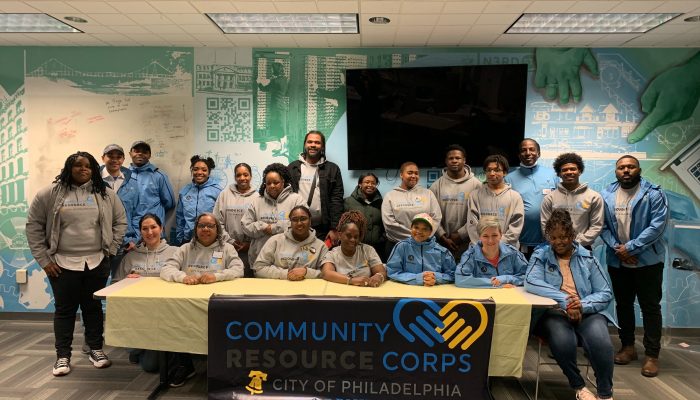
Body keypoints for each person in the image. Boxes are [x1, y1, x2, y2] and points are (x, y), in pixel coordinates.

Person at [26, 151, 126, 377]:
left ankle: (96, 349)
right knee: (65, 310)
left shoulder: (106, 194)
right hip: (61, 264)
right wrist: (44, 260)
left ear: (93, 169)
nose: (83, 170)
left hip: (96, 262)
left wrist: (110, 250)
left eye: (88, 166)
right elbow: (33, 227)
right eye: (78, 166)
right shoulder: (49, 194)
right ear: (68, 168)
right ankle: (62, 356)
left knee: (93, 308)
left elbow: (120, 221)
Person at [525, 209, 615, 400]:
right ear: (549, 237)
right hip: (554, 312)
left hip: (587, 311)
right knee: (563, 341)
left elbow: (605, 292)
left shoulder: (588, 258)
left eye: (564, 237)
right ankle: (579, 386)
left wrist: (581, 305)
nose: (559, 242)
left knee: (601, 342)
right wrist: (564, 300)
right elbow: (531, 281)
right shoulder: (540, 256)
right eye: (554, 237)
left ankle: (605, 393)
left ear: (573, 235)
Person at [601, 155, 668, 377]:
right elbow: (602, 226)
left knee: (650, 307)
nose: (626, 170)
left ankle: (651, 355)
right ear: (616, 171)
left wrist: (631, 248)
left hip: (647, 261)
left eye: (630, 166)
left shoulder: (654, 193)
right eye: (621, 167)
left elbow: (657, 226)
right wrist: (619, 249)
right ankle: (628, 347)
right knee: (623, 305)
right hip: (618, 261)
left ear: (639, 169)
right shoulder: (607, 194)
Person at [160, 212, 244, 387]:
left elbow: (238, 269)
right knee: (177, 323)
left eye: (210, 226)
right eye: (201, 226)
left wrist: (217, 276)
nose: (205, 229)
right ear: (196, 229)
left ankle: (222, 366)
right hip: (187, 306)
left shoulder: (227, 249)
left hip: (219, 305)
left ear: (217, 229)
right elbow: (166, 269)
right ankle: (185, 365)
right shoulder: (184, 248)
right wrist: (182, 277)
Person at [114, 213, 176, 372]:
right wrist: (126, 281)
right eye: (145, 229)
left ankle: (150, 349)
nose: (150, 232)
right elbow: (115, 285)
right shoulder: (131, 257)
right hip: (139, 315)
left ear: (161, 229)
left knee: (151, 367)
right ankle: (138, 348)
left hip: (167, 314)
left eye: (153, 227)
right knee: (145, 360)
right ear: (140, 232)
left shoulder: (176, 252)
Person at [242, 163, 305, 266]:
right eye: (268, 183)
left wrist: (274, 228)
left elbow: (302, 225)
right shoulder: (256, 202)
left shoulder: (297, 200)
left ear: (283, 181)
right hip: (259, 259)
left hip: (288, 260)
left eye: (276, 182)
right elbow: (245, 225)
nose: (272, 186)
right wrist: (262, 226)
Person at [504, 138, 558, 258]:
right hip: (522, 242)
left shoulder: (552, 175)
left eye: (532, 149)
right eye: (524, 150)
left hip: (550, 241)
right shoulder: (509, 179)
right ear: (519, 155)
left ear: (538, 153)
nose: (528, 153)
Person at [288, 130, 344, 243]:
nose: (313, 145)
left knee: (320, 259)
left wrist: (335, 229)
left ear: (322, 146)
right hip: (296, 226)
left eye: (317, 142)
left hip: (322, 229)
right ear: (305, 145)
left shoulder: (332, 169)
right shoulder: (292, 167)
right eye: (310, 142)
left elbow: (336, 200)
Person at [540, 152, 604, 249]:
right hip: (557, 247)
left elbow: (596, 226)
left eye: (573, 169)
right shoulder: (549, 198)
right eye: (564, 170)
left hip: (583, 248)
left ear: (580, 171)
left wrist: (576, 242)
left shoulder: (594, 197)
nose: (569, 172)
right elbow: (545, 226)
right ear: (559, 174)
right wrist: (558, 242)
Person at [429, 144, 482, 259]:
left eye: (457, 158)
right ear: (446, 161)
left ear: (464, 160)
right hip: (442, 243)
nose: (454, 161)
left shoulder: (476, 185)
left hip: (468, 243)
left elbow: (479, 215)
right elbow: (431, 214)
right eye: (450, 158)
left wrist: (461, 234)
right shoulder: (436, 186)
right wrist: (442, 236)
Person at [382, 161, 442, 260]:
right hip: (398, 246)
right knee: (396, 275)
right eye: (410, 173)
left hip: (424, 245)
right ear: (401, 174)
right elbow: (389, 224)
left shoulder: (428, 194)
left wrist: (422, 236)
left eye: (416, 173)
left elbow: (436, 218)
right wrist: (415, 236)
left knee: (424, 275)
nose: (413, 175)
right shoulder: (390, 196)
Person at [253, 205, 328, 280]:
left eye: (303, 219)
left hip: (308, 289)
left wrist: (307, 272)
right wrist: (286, 273)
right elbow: (258, 268)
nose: (299, 223)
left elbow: (326, 273)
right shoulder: (275, 241)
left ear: (310, 221)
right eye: (295, 220)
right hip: (279, 288)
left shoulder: (321, 246)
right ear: (290, 222)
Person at [467, 155, 524, 248]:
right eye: (489, 170)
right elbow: (472, 226)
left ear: (505, 172)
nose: (492, 173)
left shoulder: (515, 197)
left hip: (507, 250)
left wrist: (497, 243)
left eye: (497, 170)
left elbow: (516, 227)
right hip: (481, 250)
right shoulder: (475, 196)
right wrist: (485, 244)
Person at [100, 143, 140, 274]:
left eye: (118, 157)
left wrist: (135, 239)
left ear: (123, 160)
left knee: (121, 284)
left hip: (126, 244)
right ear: (103, 158)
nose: (115, 160)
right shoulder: (94, 182)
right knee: (99, 286)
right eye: (110, 156)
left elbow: (138, 213)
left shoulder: (133, 183)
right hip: (100, 244)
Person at [455, 216, 527, 288]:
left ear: (501, 235)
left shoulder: (513, 253)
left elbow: (528, 276)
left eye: (494, 235)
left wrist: (505, 279)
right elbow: (460, 279)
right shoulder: (470, 256)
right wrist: (493, 283)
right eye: (485, 236)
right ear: (479, 237)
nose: (490, 240)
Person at [321, 211, 387, 287]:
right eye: (349, 236)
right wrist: (352, 280)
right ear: (340, 235)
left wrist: (379, 277)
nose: (353, 240)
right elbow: (326, 273)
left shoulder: (368, 250)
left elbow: (381, 271)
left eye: (356, 237)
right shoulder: (332, 254)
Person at [386, 213, 455, 286]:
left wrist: (436, 277)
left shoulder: (442, 251)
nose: (419, 231)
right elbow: (392, 272)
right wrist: (417, 278)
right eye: (416, 227)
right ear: (411, 228)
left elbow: (452, 275)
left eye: (424, 229)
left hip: (434, 291)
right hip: (407, 291)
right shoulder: (402, 247)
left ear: (430, 232)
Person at [213, 162, 257, 277]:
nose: (242, 178)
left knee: (247, 282)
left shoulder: (258, 197)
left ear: (251, 176)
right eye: (239, 175)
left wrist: (249, 243)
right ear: (235, 177)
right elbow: (217, 222)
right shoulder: (224, 195)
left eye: (246, 175)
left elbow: (260, 225)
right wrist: (230, 241)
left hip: (250, 250)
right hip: (227, 246)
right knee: (227, 279)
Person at [128, 141, 175, 236]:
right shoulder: (123, 176)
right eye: (136, 151)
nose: (140, 153)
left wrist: (155, 213)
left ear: (149, 155)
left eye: (144, 152)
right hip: (131, 233)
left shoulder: (159, 176)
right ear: (130, 154)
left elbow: (169, 203)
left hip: (153, 231)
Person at [175, 155, 223, 245]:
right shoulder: (185, 191)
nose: (199, 172)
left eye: (204, 170)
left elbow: (221, 218)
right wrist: (180, 237)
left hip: (210, 239)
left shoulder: (218, 191)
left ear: (209, 172)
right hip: (188, 239)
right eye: (196, 169)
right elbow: (180, 216)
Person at [343, 173, 385, 260]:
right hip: (354, 248)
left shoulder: (382, 203)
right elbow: (342, 225)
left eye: (373, 183)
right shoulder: (347, 202)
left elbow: (386, 224)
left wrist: (382, 239)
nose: (370, 185)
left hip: (377, 249)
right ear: (360, 184)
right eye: (367, 182)